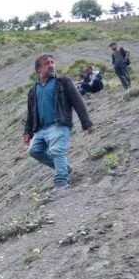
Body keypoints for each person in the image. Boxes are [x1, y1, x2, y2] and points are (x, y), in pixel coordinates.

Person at [24, 54, 94, 194]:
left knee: (56, 150)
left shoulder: (63, 81)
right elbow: (31, 113)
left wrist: (86, 123)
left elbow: (77, 101)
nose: (50, 65)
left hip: (59, 124)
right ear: (39, 69)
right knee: (34, 151)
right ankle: (65, 168)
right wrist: (27, 132)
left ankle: (61, 183)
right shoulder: (33, 89)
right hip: (41, 129)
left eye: (52, 62)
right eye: (46, 63)